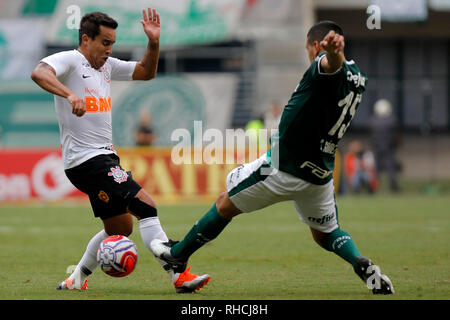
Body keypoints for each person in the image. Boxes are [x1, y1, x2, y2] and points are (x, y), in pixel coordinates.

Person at [151, 21, 394, 294]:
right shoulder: (359, 76)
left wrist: (332, 54)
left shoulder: (324, 63)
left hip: (284, 164)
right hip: (320, 173)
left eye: (308, 48)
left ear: (316, 46)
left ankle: (178, 254)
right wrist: (338, 55)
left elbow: (330, 66)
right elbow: (337, 74)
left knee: (225, 204)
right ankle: (360, 262)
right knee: (325, 233)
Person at [31, 8, 210, 293]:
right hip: (88, 160)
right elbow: (39, 72)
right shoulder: (70, 60)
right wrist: (69, 94)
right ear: (86, 39)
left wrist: (153, 43)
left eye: (112, 43)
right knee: (147, 206)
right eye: (105, 42)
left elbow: (146, 72)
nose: (109, 49)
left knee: (120, 229)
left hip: (100, 158)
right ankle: (179, 276)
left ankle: (75, 279)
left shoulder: (107, 66)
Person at [369, 99, 401, 192]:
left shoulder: (373, 121)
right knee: (391, 167)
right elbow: (395, 135)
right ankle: (393, 186)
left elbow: (371, 135)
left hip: (377, 147)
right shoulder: (391, 120)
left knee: (376, 167)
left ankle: (374, 187)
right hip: (389, 147)